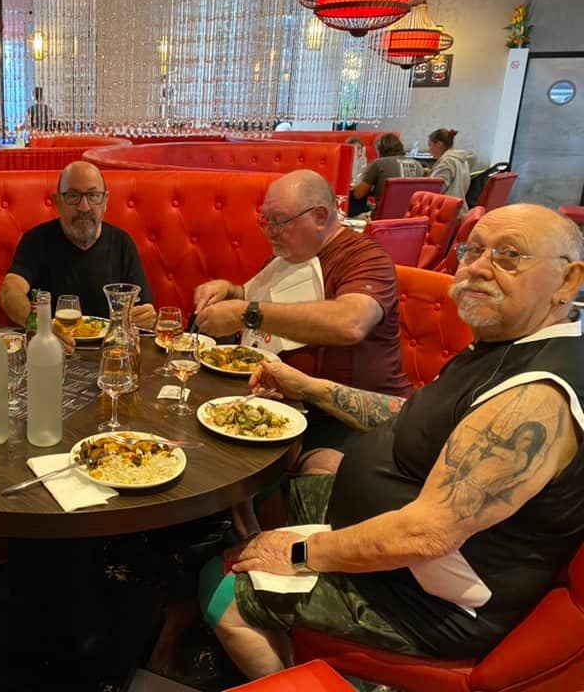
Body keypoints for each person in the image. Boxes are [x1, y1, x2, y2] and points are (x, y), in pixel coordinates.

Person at [202, 204, 584, 682]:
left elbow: (426, 535)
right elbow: (416, 419)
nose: (478, 268)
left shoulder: (536, 396)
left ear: (568, 280)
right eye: (473, 251)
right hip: (399, 547)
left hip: (425, 598)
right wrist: (310, 387)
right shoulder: (507, 343)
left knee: (220, 586)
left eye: (509, 255)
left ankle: (300, 671)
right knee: (264, 495)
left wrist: (300, 554)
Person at [194, 169, 412, 451]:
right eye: (265, 220)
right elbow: (260, 298)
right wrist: (229, 291)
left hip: (352, 421)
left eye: (279, 221)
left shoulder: (366, 257)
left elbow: (351, 322)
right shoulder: (288, 256)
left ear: (320, 216)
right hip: (281, 404)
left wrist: (245, 313)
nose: (269, 231)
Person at [0, 161, 157, 350]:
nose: (84, 207)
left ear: (105, 201)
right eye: (73, 196)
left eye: (93, 195)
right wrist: (40, 326)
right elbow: (10, 291)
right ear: (58, 201)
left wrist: (146, 318)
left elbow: (144, 311)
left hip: (110, 353)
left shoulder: (122, 243)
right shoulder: (36, 240)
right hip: (53, 351)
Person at [349, 133, 424, 217]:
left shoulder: (379, 164)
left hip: (383, 217)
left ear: (380, 149)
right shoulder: (418, 165)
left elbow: (358, 194)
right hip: (410, 218)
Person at [428, 127, 471, 206]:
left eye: (430, 145)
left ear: (439, 144)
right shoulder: (462, 159)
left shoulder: (447, 161)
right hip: (459, 207)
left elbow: (435, 189)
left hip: (445, 209)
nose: (429, 149)